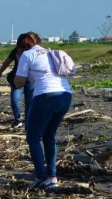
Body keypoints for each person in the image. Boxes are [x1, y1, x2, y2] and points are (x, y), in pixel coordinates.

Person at [13, 32, 72, 190]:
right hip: (65, 95)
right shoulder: (49, 52)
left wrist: (19, 62)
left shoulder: (27, 55)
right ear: (38, 41)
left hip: (46, 96)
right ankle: (52, 176)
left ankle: (41, 176)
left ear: (21, 46)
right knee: (49, 136)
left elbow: (18, 83)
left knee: (33, 137)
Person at [0, 35, 34, 129]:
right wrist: (0, 72)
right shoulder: (16, 50)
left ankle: (28, 122)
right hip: (17, 78)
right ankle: (18, 119)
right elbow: (7, 62)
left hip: (30, 80)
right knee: (15, 100)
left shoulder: (33, 52)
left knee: (29, 102)